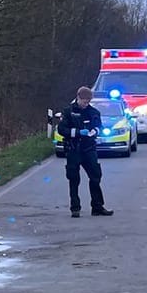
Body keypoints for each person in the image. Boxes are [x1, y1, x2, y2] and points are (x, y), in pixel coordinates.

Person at [54, 87, 114, 217]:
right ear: (78, 98)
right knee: (73, 179)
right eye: (84, 101)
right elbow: (62, 130)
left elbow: (99, 127)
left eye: (88, 102)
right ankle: (75, 208)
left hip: (88, 149)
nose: (85, 104)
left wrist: (94, 132)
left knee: (95, 177)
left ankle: (97, 206)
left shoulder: (93, 112)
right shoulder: (68, 112)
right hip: (73, 149)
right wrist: (76, 133)